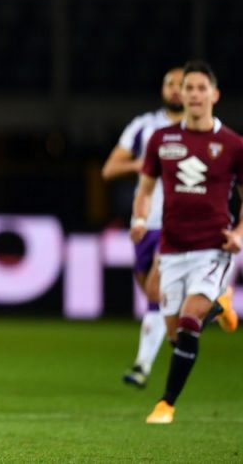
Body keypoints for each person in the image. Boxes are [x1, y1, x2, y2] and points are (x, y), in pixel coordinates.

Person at [134, 61, 243, 424]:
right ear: (180, 95)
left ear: (214, 95)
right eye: (188, 88)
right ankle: (221, 305)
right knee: (175, 339)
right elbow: (145, 189)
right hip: (172, 249)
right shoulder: (162, 140)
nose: (193, 94)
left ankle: (165, 404)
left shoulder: (232, 144)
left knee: (189, 322)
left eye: (200, 88)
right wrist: (138, 219)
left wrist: (240, 234)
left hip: (212, 248)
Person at [102, 67, 189, 388]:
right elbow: (109, 169)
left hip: (179, 222)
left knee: (155, 290)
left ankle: (142, 367)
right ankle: (209, 307)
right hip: (145, 222)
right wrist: (145, 163)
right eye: (171, 84)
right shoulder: (144, 127)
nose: (177, 90)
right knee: (156, 297)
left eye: (184, 85)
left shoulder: (199, 130)